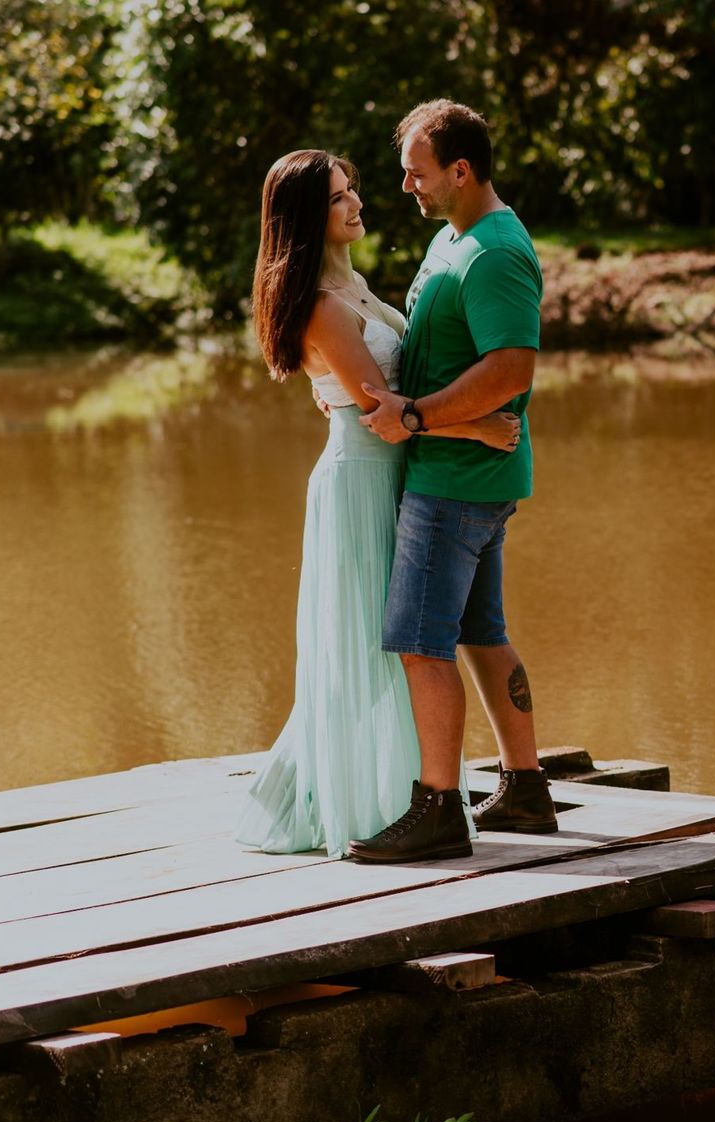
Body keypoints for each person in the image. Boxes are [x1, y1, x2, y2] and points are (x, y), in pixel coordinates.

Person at [236, 149, 520, 857]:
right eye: (339, 198)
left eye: (351, 191)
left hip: (391, 476)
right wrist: (479, 424)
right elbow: (380, 409)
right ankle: (341, 795)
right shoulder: (325, 306)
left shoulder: (351, 286)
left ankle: (400, 793)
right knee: (369, 645)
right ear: (309, 218)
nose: (357, 203)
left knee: (390, 642)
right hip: (361, 482)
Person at [348, 99, 556, 864]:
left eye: (417, 171)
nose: (406, 185)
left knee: (419, 643)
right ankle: (525, 789)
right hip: (468, 469)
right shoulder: (454, 238)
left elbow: (510, 370)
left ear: (460, 171)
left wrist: (419, 418)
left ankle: (438, 807)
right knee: (479, 631)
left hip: (455, 479)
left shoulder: (494, 252)